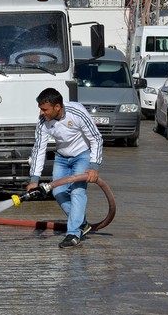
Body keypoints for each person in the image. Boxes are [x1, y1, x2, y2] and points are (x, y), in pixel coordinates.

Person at [27, 88, 103, 248]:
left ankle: (73, 234)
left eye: (44, 109)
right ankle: (81, 223)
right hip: (61, 157)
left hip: (82, 156)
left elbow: (96, 138)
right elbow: (39, 148)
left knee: (77, 191)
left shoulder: (77, 112)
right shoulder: (43, 121)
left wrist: (94, 166)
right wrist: (34, 179)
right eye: (40, 109)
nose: (41, 113)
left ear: (57, 107)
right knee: (58, 192)